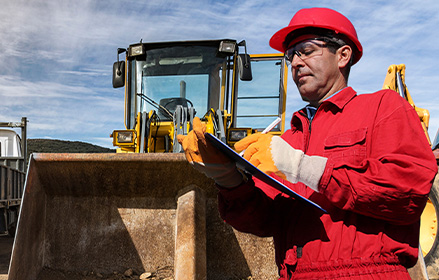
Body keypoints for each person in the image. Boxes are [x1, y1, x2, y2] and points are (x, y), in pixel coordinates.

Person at [177, 7, 438, 280]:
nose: (296, 63)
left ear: (343, 55)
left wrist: (303, 166)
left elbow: (407, 192)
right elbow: (265, 221)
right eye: (291, 55)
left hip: (366, 273)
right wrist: (227, 178)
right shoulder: (289, 140)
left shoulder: (383, 109)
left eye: (307, 50)